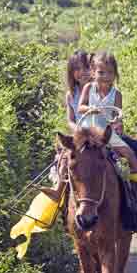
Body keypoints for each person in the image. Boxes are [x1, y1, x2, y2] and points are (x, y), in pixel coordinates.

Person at [78, 51, 137, 173]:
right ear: (93, 72)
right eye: (101, 72)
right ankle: (60, 187)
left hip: (106, 132)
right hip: (87, 130)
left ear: (115, 74)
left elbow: (117, 116)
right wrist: (90, 109)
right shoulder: (88, 88)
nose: (106, 76)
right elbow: (80, 107)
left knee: (129, 154)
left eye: (110, 72)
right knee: (68, 155)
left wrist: (118, 125)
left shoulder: (117, 94)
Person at [41, 49, 91, 201]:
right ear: (71, 73)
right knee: (65, 156)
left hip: (98, 132)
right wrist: (76, 129)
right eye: (77, 69)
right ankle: (59, 189)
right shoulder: (71, 94)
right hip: (80, 134)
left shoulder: (96, 90)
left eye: (86, 67)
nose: (82, 72)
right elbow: (70, 119)